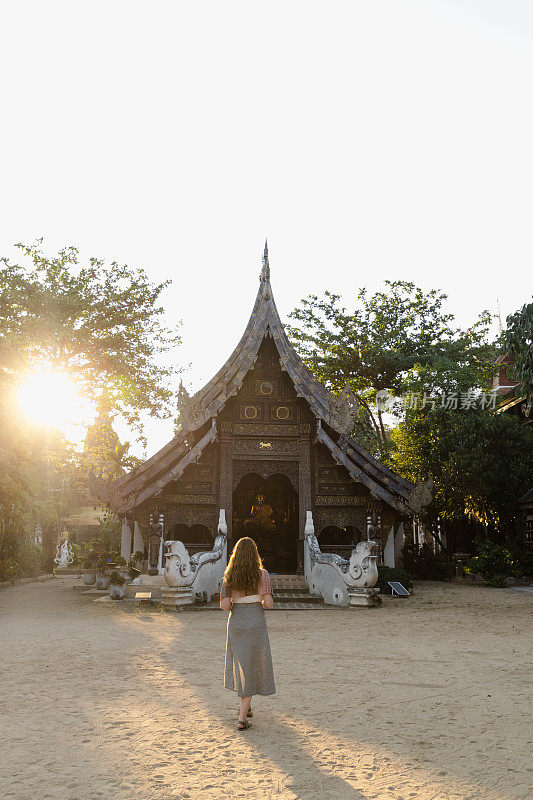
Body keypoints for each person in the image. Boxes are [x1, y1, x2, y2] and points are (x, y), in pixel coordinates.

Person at [220, 536, 275, 730]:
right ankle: (242, 719)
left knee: (242, 663)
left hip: (237, 623)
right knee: (252, 663)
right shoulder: (263, 575)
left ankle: (247, 707)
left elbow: (225, 606)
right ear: (255, 555)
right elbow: (268, 604)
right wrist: (259, 597)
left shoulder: (229, 576)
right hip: (256, 623)